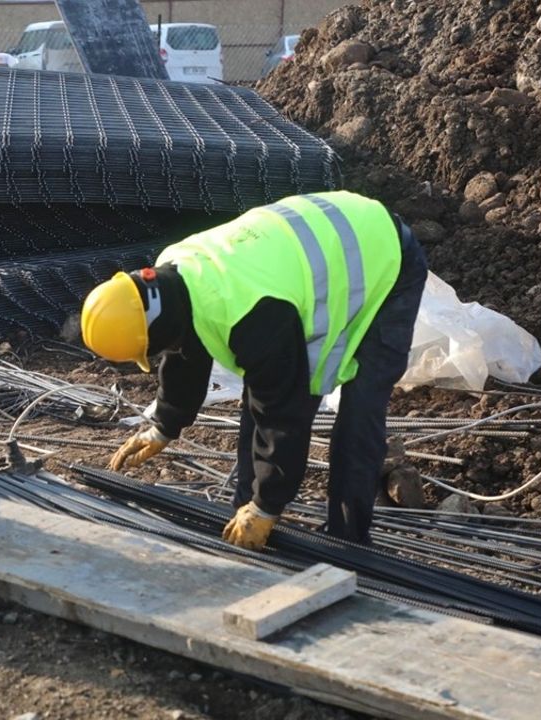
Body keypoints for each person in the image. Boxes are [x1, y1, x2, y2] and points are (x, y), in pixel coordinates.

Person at [80, 191, 428, 549]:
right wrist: (164, 425)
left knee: (360, 408)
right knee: (262, 392)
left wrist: (268, 504)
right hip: (320, 239)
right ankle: (245, 513)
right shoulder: (174, 272)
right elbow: (186, 352)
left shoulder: (252, 316)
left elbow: (281, 413)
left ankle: (348, 540)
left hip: (382, 255)